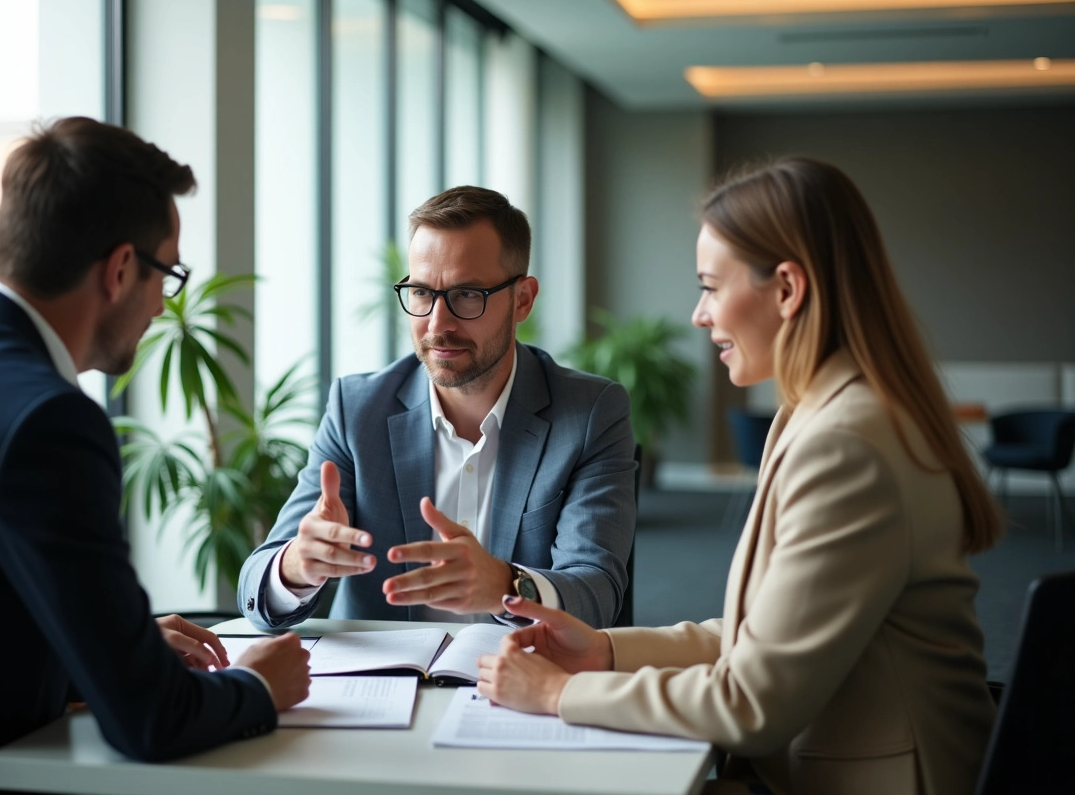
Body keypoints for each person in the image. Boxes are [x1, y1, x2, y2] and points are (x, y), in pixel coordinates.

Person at [477, 158, 1001, 795]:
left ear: (787, 289)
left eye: (711, 286)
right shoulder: (813, 414)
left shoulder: (846, 445)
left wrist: (564, 692)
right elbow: (763, 635)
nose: (699, 315)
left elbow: (752, 703)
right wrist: (606, 652)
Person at [0, 117, 310, 794]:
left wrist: (111, 649)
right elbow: (151, 722)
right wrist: (259, 685)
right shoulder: (47, 420)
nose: (163, 303)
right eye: (169, 273)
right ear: (122, 269)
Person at [238, 185, 636, 630]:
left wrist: (507, 585)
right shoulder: (358, 410)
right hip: (379, 685)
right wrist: (295, 565)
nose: (437, 324)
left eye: (467, 295)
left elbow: (598, 590)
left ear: (522, 299)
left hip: (518, 679)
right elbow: (256, 582)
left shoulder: (589, 414)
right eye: (422, 293)